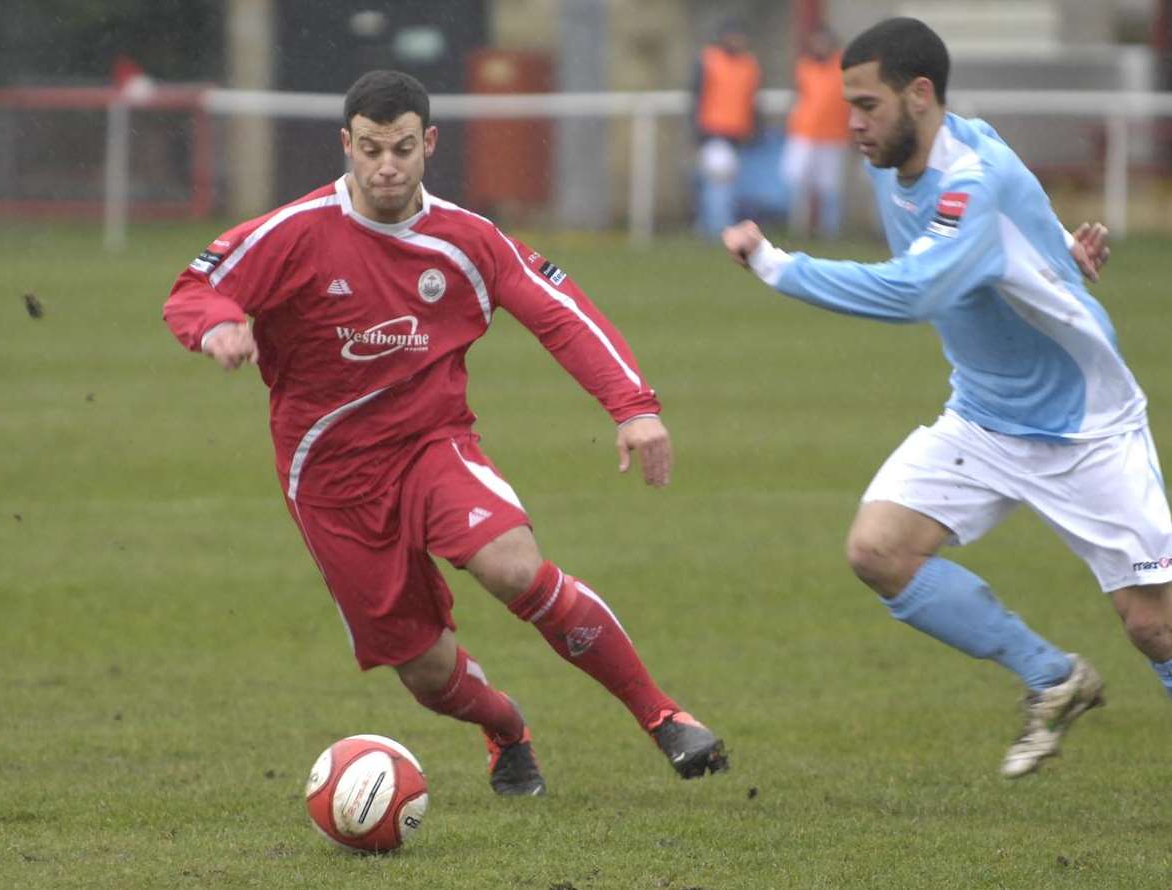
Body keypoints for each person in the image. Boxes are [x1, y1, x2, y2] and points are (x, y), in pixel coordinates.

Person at [163, 70, 727, 797]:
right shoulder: (290, 233)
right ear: (346, 145)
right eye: (369, 149)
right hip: (330, 482)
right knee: (428, 673)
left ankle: (663, 717)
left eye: (401, 147)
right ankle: (505, 726)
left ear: (428, 142)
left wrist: (633, 407)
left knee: (514, 568)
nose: (386, 166)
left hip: (434, 446)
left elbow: (558, 310)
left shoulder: (467, 240)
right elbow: (194, 288)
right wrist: (217, 327)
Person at [722, 17, 1172, 778]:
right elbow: (1010, 214)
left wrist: (775, 265)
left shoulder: (971, 171)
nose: (852, 123)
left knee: (1152, 627)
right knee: (878, 550)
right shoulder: (898, 156)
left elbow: (915, 290)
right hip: (984, 414)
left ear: (920, 94)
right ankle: (1052, 676)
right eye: (848, 104)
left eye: (866, 104)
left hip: (1081, 423)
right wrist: (1056, 250)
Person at [691, 17, 762, 238]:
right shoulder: (709, 60)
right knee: (718, 183)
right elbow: (696, 95)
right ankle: (717, 229)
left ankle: (709, 226)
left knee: (727, 186)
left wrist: (755, 128)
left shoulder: (749, 64)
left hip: (739, 133)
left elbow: (752, 99)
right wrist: (696, 131)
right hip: (714, 130)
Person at [780, 25, 850, 239]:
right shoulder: (805, 66)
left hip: (833, 136)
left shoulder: (843, 67)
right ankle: (798, 230)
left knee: (830, 188)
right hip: (804, 133)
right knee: (798, 183)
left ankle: (830, 233)